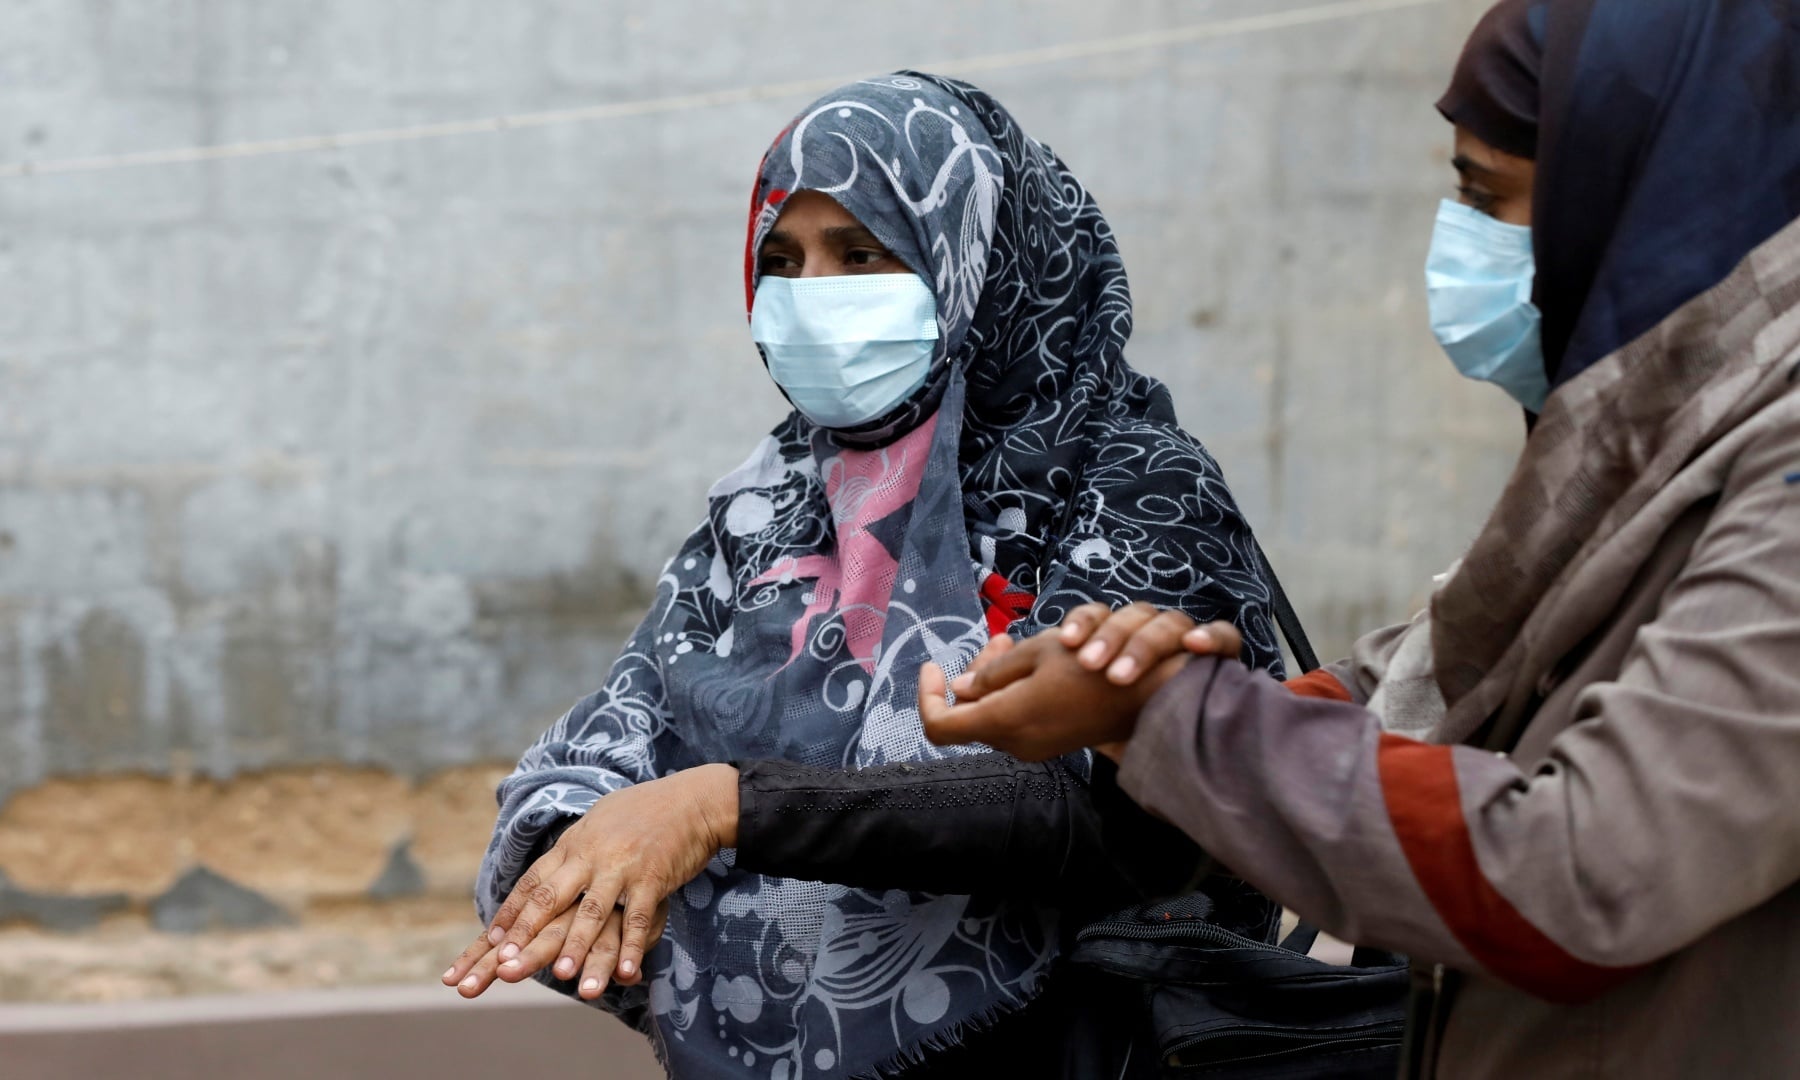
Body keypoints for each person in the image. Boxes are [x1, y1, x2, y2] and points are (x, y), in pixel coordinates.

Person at [920, 0, 1800, 1075]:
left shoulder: (1773, 457)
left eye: (1487, 194)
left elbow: (1586, 867)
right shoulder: (1650, 432)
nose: (1455, 236)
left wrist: (1180, 721)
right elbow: (1455, 665)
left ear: (1645, 195)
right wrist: (1151, 704)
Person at [442, 72, 1289, 1078]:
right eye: (783, 261)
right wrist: (579, 841)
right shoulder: (772, 503)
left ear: (974, 255)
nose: (812, 298)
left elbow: (1112, 816)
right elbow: (632, 721)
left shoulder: (1130, 482)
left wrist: (724, 808)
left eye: (861, 253)